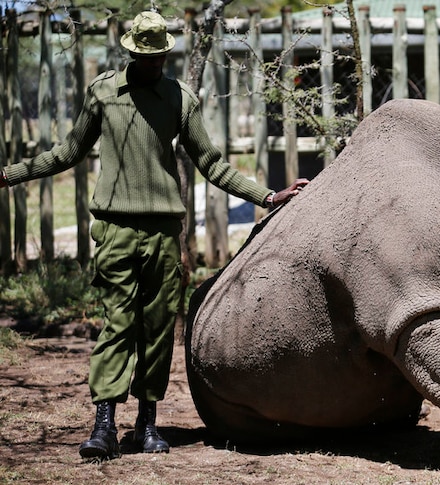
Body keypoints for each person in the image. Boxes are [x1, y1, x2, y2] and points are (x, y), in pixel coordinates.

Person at [0, 10, 308, 459]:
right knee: (117, 326)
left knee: (158, 329)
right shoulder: (104, 93)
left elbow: (211, 162)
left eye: (160, 57)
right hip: (116, 229)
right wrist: (10, 175)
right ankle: (104, 425)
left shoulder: (180, 98)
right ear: (130, 52)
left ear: (166, 53)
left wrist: (266, 196)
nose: (154, 64)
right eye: (146, 57)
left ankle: (147, 424)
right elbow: (69, 151)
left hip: (164, 233)